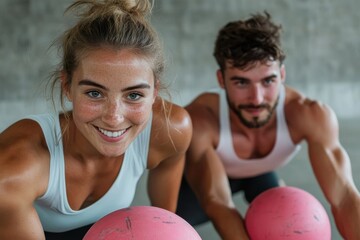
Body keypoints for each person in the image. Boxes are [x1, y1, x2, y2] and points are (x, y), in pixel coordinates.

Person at [0, 0, 192, 239]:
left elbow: (162, 225)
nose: (114, 117)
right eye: (94, 93)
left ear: (154, 92)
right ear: (67, 86)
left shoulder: (170, 131)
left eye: (133, 95)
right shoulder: (13, 170)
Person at [176, 11, 360, 240]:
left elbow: (343, 196)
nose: (257, 98)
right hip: (201, 183)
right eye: (241, 82)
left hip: (261, 176)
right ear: (221, 80)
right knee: (170, 226)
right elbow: (218, 203)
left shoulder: (310, 114)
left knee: (288, 221)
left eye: (268, 81)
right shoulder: (201, 119)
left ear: (282, 75)